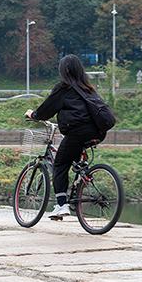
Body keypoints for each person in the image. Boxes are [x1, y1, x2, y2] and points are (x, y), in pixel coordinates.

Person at [25, 55, 107, 220]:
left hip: (78, 132)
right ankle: (80, 178)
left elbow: (46, 109)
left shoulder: (64, 88)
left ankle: (62, 205)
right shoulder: (88, 88)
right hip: (98, 132)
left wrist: (33, 114)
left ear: (65, 71)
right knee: (74, 157)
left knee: (61, 163)